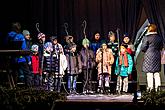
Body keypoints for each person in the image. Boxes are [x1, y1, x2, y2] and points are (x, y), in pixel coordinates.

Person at [6, 22, 32, 87]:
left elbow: (5, 45)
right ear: (18, 28)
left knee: (14, 73)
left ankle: (13, 88)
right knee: (27, 73)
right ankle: (29, 89)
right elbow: (24, 49)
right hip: (21, 59)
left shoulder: (8, 36)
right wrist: (28, 59)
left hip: (12, 59)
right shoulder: (20, 36)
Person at [141, 24, 163, 91]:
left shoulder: (146, 37)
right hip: (157, 55)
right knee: (156, 73)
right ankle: (158, 89)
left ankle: (150, 89)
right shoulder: (159, 37)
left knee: (149, 73)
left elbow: (143, 48)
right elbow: (161, 47)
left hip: (149, 56)